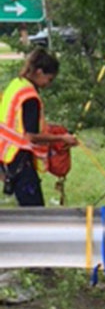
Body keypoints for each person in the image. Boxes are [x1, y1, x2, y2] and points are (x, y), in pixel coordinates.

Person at [0, 49, 78, 206]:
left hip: (6, 155)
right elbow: (30, 136)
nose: (48, 85)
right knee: (34, 211)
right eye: (49, 79)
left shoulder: (17, 85)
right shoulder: (30, 98)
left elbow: (18, 124)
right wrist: (61, 138)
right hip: (20, 160)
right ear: (39, 72)